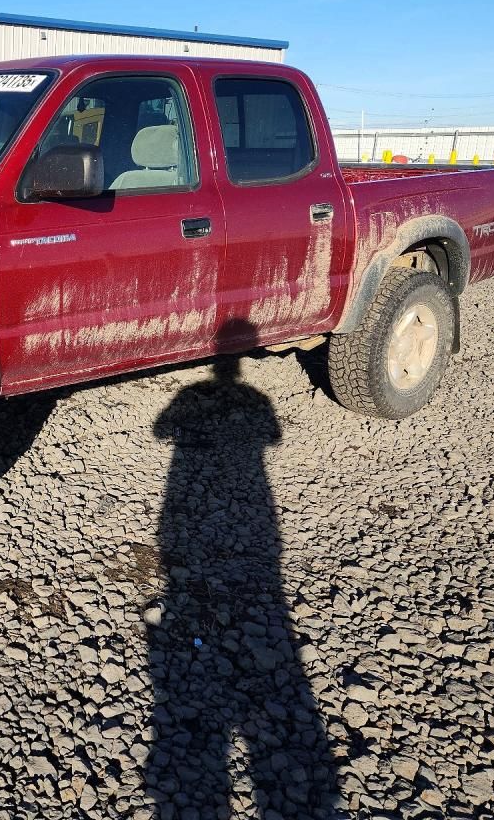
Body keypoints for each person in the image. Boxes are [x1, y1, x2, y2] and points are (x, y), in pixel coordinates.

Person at [146, 320, 340, 817]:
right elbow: (272, 436)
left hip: (190, 520)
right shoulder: (254, 401)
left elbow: (161, 429)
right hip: (257, 522)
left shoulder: (191, 396)